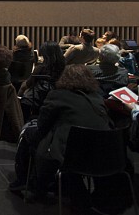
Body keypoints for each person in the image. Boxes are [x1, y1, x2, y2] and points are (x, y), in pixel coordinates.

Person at [31, 65, 112, 200]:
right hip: (103, 155)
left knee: (32, 135)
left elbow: (42, 124)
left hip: (69, 154)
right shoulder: (98, 97)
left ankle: (37, 185)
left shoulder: (57, 95)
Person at [18, 41, 65, 121]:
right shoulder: (64, 69)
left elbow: (26, 85)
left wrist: (18, 97)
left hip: (37, 101)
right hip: (57, 101)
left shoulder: (40, 69)